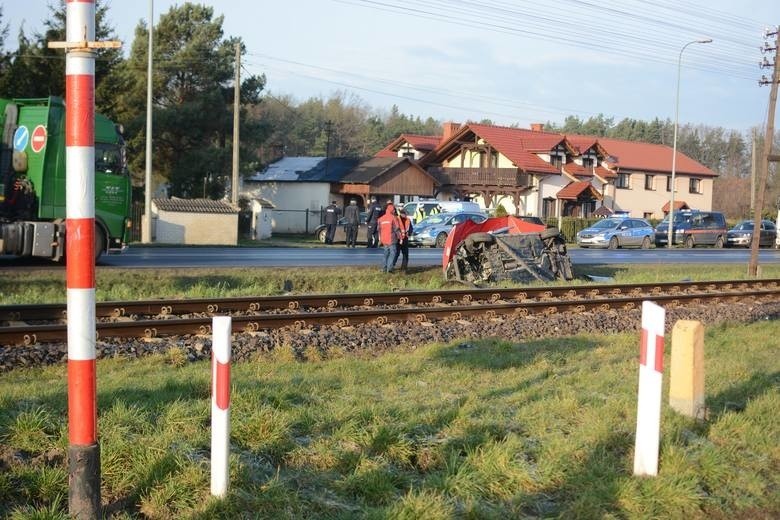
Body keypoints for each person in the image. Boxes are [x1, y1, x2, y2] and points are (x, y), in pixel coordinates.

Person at [377, 203, 400, 273]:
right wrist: (400, 238)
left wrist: (380, 239)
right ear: (392, 210)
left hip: (384, 239)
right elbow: (397, 229)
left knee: (385, 254)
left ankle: (384, 268)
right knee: (393, 253)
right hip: (392, 239)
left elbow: (379, 230)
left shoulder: (381, 219)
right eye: (394, 210)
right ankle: (389, 268)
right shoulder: (393, 218)